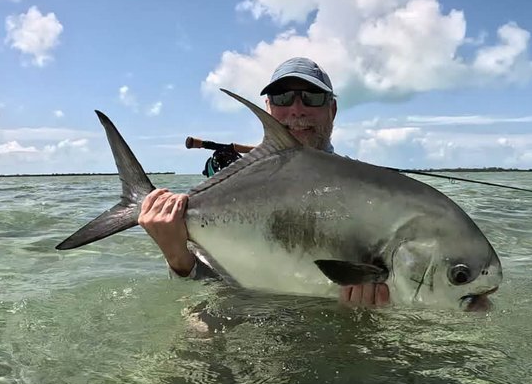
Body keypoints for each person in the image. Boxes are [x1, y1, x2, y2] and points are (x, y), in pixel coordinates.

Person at [138, 57, 387, 307]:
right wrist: (177, 257)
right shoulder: (235, 190)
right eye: (282, 97)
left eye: (312, 96)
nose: (297, 109)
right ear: (268, 107)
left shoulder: (367, 193)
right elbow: (214, 285)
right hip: (250, 310)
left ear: (332, 110)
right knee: (199, 333)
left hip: (328, 322)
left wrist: (365, 316)